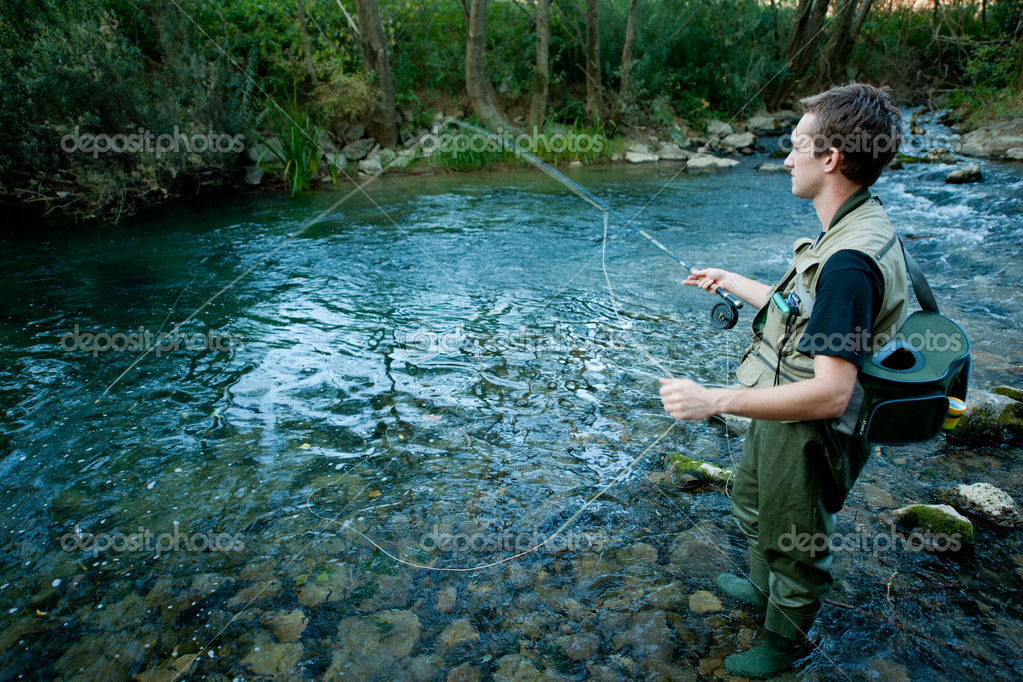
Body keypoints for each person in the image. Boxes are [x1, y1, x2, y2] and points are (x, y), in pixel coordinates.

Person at [658, 83, 909, 678]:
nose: (787, 159)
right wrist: (733, 280)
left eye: (797, 146)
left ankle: (782, 648)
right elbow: (804, 307)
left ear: (832, 159)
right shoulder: (851, 225)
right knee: (751, 502)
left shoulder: (850, 261)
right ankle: (758, 585)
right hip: (782, 410)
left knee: (795, 542)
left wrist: (712, 399)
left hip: (810, 427)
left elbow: (832, 393)